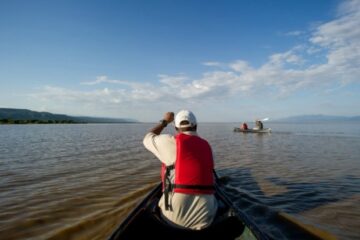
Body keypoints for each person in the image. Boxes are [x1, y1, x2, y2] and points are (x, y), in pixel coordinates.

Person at [143, 110, 218, 230]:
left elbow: (147, 138)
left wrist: (165, 122)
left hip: (173, 219)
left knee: (151, 206)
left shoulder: (168, 141)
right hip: (206, 218)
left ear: (176, 128)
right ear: (196, 125)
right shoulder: (207, 147)